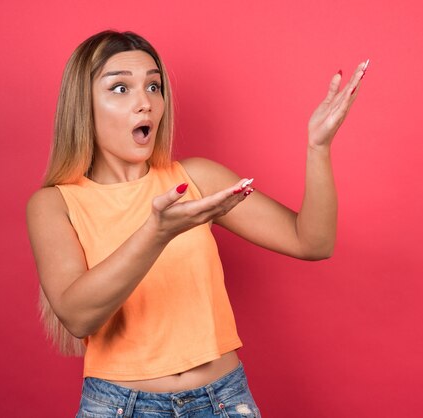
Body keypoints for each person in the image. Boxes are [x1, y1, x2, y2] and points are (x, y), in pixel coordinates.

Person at [26, 30, 368, 417]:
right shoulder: (55, 204)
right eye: (120, 88)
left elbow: (312, 242)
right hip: (119, 408)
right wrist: (157, 232)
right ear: (82, 106)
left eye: (153, 86)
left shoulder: (197, 179)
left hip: (222, 401)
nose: (145, 103)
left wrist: (318, 148)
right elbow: (77, 316)